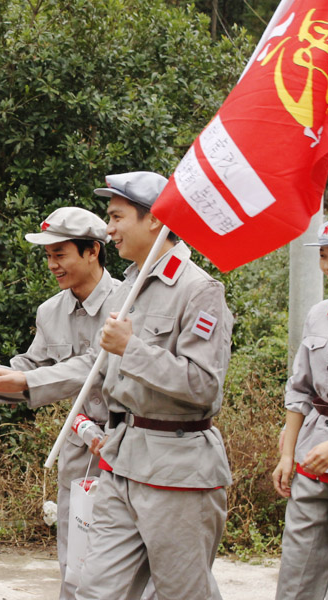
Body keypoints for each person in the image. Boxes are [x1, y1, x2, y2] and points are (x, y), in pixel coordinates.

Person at [75, 171, 233, 600]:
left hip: (177, 472)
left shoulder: (199, 290)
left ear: (156, 219)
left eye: (116, 217)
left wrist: (133, 349)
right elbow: (95, 367)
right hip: (121, 462)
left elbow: (204, 385)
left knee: (183, 593)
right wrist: (24, 382)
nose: (108, 229)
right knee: (95, 591)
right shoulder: (126, 287)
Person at [0, 207, 119, 600]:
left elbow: (95, 367)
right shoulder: (50, 311)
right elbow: (31, 368)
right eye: (48, 255)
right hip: (81, 445)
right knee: (75, 557)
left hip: (126, 445)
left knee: (121, 561)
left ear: (93, 251)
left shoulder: (128, 303)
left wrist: (25, 379)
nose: (53, 265)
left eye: (60, 254)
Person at [274, 216, 328, 600]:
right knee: (296, 577)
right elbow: (299, 389)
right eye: (323, 255)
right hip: (311, 461)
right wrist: (287, 454)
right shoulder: (318, 314)